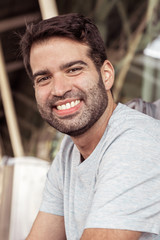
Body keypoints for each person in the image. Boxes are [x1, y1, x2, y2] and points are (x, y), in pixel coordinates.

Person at [20, 13, 160, 240]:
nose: (59, 89)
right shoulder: (68, 151)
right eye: (44, 78)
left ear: (106, 75)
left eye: (74, 69)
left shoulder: (137, 142)